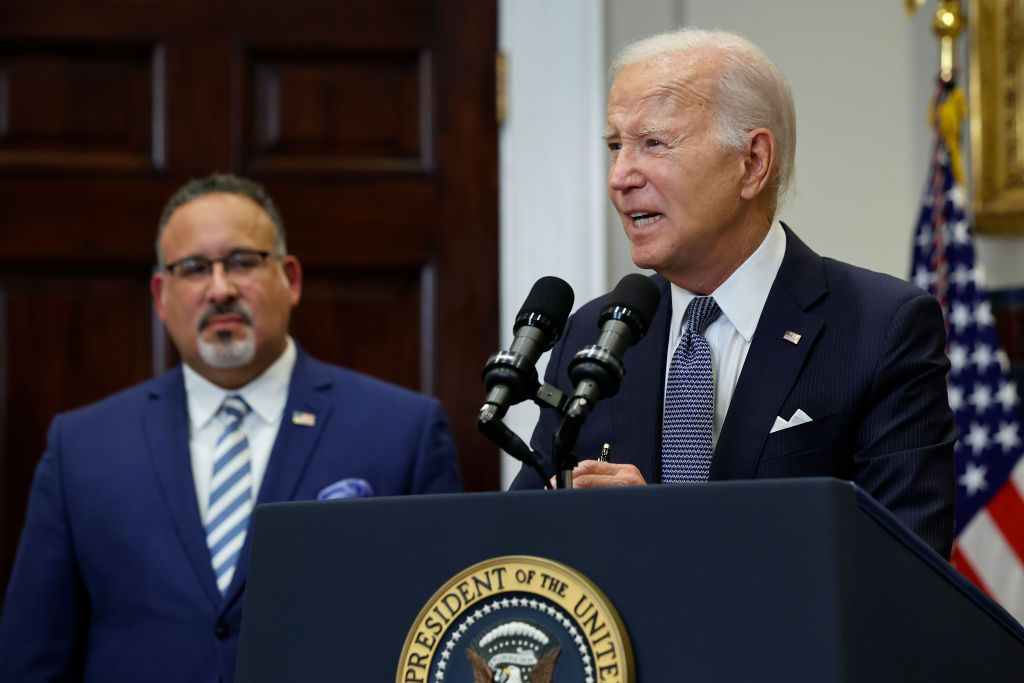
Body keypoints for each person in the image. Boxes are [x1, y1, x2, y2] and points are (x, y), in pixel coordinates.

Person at [511, 28, 956, 559]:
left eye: (653, 143)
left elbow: (899, 571)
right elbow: (522, 547)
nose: (620, 176)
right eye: (615, 147)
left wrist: (670, 530)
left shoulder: (881, 328)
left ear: (752, 163)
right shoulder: (593, 334)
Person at [0, 174, 462, 682]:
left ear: (291, 279)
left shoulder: (401, 432)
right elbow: (33, 657)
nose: (219, 289)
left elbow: (441, 642)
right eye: (193, 269)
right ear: (161, 294)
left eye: (243, 262)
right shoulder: (82, 447)